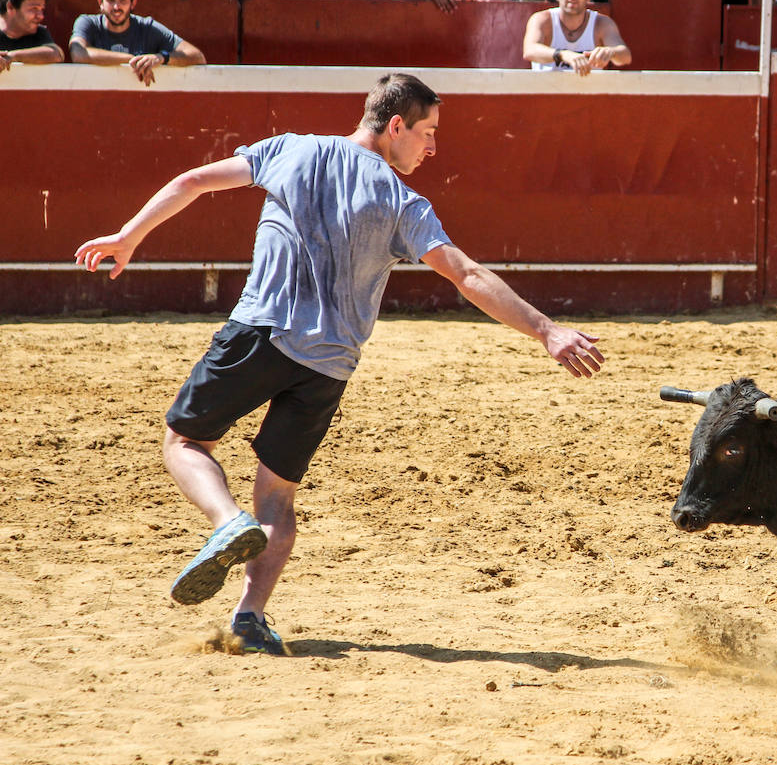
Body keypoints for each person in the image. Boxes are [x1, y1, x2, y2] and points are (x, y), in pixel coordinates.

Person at [73, 73, 606, 655]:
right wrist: (546, 331)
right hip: (329, 366)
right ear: (394, 125)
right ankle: (250, 616)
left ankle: (226, 521)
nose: (432, 148)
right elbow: (467, 275)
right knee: (276, 497)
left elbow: (196, 181)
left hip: (263, 332)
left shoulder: (291, 149)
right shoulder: (404, 203)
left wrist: (128, 236)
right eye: (426, 133)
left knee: (183, 441)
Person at [69, 0, 206, 84]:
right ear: (100, 2)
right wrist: (135, 59)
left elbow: (197, 56)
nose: (116, 7)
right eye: (111, 0)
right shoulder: (88, 23)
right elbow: (78, 53)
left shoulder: (147, 27)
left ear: (133, 3)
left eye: (122, 0)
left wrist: (161, 58)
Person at [523, 0, 630, 75]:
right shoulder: (542, 19)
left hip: (589, 91)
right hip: (547, 90)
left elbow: (625, 56)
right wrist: (563, 55)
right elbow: (529, 50)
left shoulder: (602, 23)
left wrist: (610, 52)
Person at [0, 0, 64, 71]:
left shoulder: (39, 32)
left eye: (42, 10)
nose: (41, 16)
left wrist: (11, 57)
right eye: (34, 9)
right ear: (10, 7)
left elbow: (57, 54)